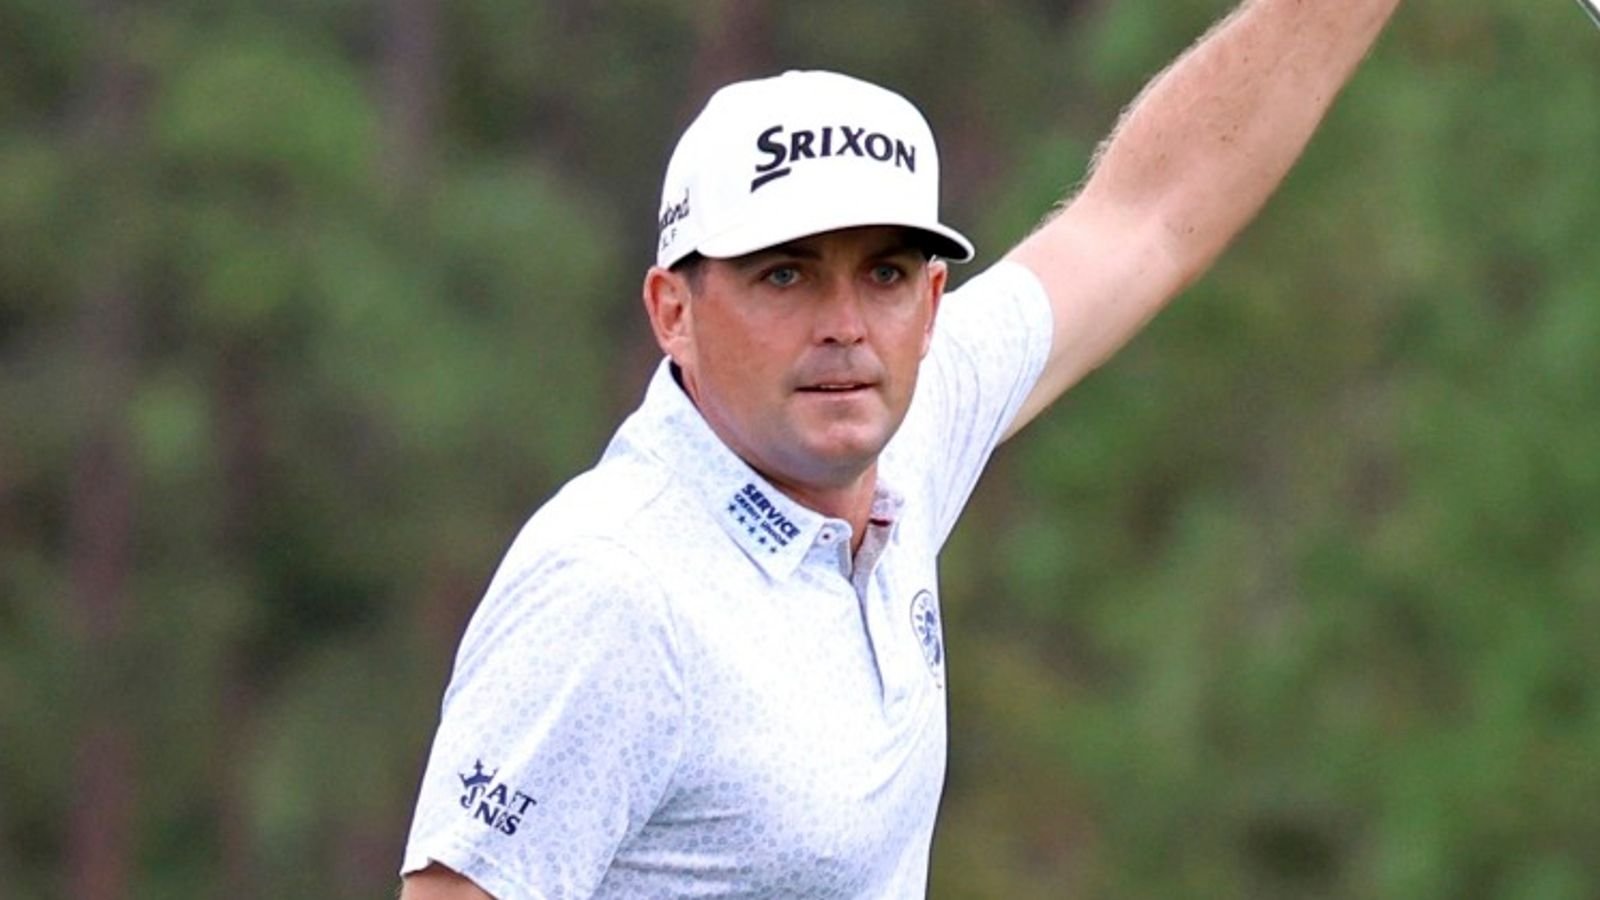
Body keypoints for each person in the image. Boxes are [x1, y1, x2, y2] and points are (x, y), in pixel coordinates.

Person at [400, 1, 1402, 896]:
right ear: (674, 311)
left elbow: (1146, 216)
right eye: (784, 277)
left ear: (929, 305)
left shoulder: (895, 430)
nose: (843, 325)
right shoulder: (612, 595)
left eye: (882, 273)